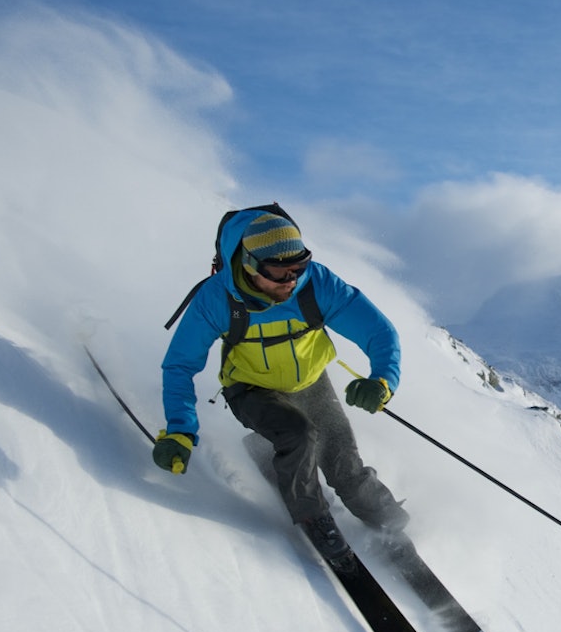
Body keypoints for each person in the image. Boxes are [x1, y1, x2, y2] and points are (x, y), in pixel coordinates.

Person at [154, 206, 407, 568]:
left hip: (310, 383)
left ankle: (386, 516)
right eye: (279, 271)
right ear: (251, 265)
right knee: (299, 435)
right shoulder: (217, 298)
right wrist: (179, 430)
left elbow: (379, 332)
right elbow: (180, 365)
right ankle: (312, 517)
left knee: (343, 462)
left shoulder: (316, 285)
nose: (290, 279)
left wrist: (383, 379)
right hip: (250, 388)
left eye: (299, 267)